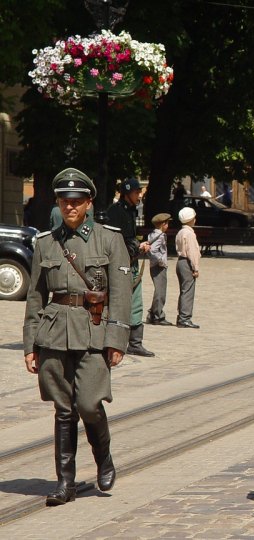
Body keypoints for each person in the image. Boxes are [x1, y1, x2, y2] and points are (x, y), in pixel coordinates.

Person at [23, 168, 131, 506]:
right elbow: (36, 297)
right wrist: (30, 344)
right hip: (54, 333)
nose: (70, 206)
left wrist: (117, 339)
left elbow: (122, 294)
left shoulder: (109, 239)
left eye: (77, 201)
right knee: (63, 409)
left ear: (88, 203)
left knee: (88, 404)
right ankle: (65, 483)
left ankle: (104, 457)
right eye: (65, 201)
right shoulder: (44, 242)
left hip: (95, 331)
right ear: (58, 202)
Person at [106, 178, 154, 357]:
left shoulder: (131, 211)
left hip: (130, 262)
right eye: (136, 192)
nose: (139, 195)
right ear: (127, 193)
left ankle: (135, 342)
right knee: (118, 302)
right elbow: (117, 242)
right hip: (119, 265)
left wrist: (139, 245)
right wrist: (138, 246)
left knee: (135, 302)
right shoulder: (116, 212)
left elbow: (130, 238)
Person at [175, 207, 201, 329]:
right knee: (188, 290)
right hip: (187, 262)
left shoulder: (180, 232)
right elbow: (192, 252)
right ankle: (185, 318)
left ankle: (181, 315)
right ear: (191, 220)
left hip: (180, 261)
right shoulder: (189, 234)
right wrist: (195, 268)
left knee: (183, 290)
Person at [146, 213, 172, 326]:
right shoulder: (160, 236)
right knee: (160, 292)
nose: (168, 225)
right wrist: (160, 261)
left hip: (154, 265)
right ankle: (157, 315)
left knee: (159, 290)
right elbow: (153, 251)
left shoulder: (152, 234)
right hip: (158, 267)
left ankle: (153, 313)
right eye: (167, 223)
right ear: (163, 224)